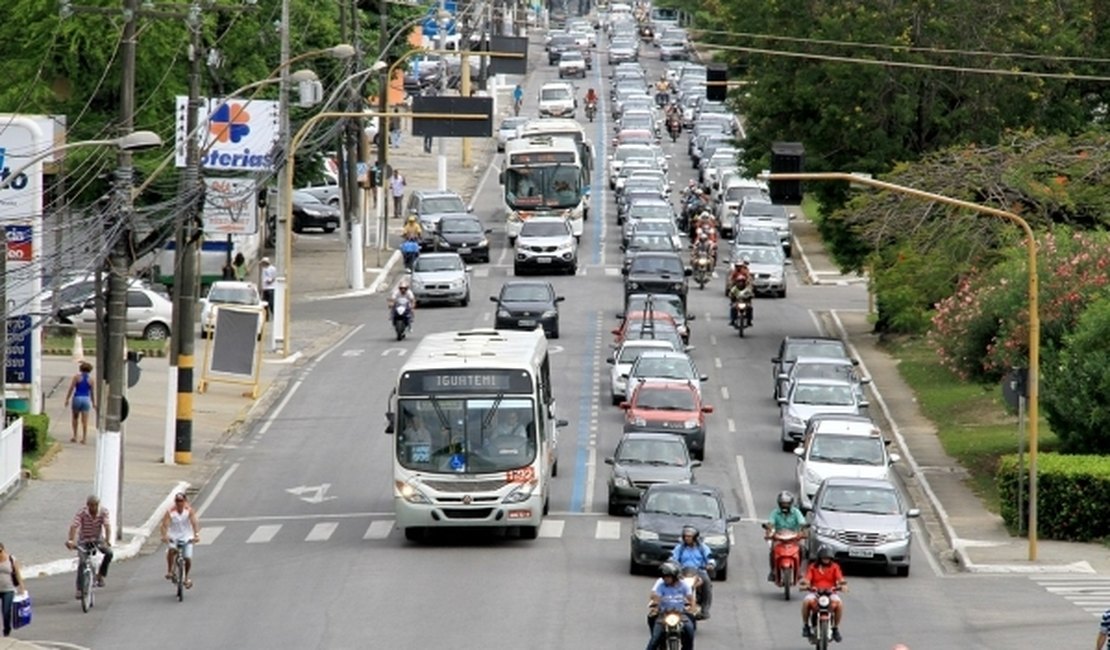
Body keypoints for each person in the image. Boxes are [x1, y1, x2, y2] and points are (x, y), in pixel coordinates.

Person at [66, 495, 113, 598]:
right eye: (91, 505)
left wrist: (107, 540)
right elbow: (74, 526)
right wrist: (71, 540)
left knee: (109, 553)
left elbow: (107, 526)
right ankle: (79, 589)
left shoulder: (103, 512)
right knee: (82, 562)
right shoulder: (82, 512)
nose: (93, 508)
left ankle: (100, 576)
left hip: (97, 540)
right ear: (87, 505)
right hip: (84, 541)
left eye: (95, 505)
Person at [645, 561, 695, 650]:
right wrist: (655, 607)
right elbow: (657, 598)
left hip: (681, 614)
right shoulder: (661, 586)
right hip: (664, 615)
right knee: (655, 639)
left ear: (674, 577)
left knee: (690, 633)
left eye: (668, 577)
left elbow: (691, 599)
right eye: (664, 577)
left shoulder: (684, 585)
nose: (665, 579)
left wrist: (692, 608)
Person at [800, 545, 847, 642]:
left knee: (839, 604)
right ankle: (806, 626)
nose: (826, 560)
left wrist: (842, 584)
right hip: (815, 592)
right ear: (819, 558)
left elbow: (840, 579)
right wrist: (805, 584)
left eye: (828, 558)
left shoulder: (835, 567)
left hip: (831, 593)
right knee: (806, 602)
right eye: (824, 557)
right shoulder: (813, 567)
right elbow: (807, 579)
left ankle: (835, 628)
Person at [669, 525, 715, 618]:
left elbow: (710, 558)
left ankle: (704, 609)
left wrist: (710, 564)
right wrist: (672, 563)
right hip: (683, 572)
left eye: (689, 537)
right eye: (685, 536)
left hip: (699, 571)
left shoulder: (702, 548)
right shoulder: (680, 548)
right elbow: (673, 557)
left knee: (707, 584)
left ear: (695, 537)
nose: (687, 538)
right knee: (669, 582)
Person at [160, 492, 200, 589]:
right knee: (172, 550)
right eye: (177, 501)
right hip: (174, 536)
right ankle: (170, 571)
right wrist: (165, 536)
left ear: (185, 501)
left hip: (187, 537)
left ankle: (186, 577)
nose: (179, 503)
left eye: (181, 501)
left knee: (187, 558)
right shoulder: (170, 512)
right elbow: (164, 525)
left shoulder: (189, 511)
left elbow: (194, 523)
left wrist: (196, 535)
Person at [765, 490, 807, 581]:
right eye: (783, 504)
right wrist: (769, 530)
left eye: (787, 504)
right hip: (779, 537)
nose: (785, 506)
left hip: (794, 536)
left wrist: (803, 530)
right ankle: (773, 571)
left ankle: (799, 570)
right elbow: (770, 523)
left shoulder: (796, 512)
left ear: (791, 504)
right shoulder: (775, 513)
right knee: (772, 551)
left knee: (802, 549)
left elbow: (802, 522)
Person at [64, 360, 96, 444]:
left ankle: (75, 436)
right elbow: (92, 392)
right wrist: (93, 403)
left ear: (81, 369)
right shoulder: (91, 380)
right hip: (86, 399)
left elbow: (71, 388)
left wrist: (67, 399)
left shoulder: (77, 377)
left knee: (75, 418)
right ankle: (84, 438)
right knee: (85, 420)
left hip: (77, 398)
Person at [0, 542, 25, 637]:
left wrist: (22, 587)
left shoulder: (11, 559)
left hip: (8, 589)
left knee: (6, 611)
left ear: (3, 549)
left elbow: (17, 574)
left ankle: (6, 629)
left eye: (0, 551)